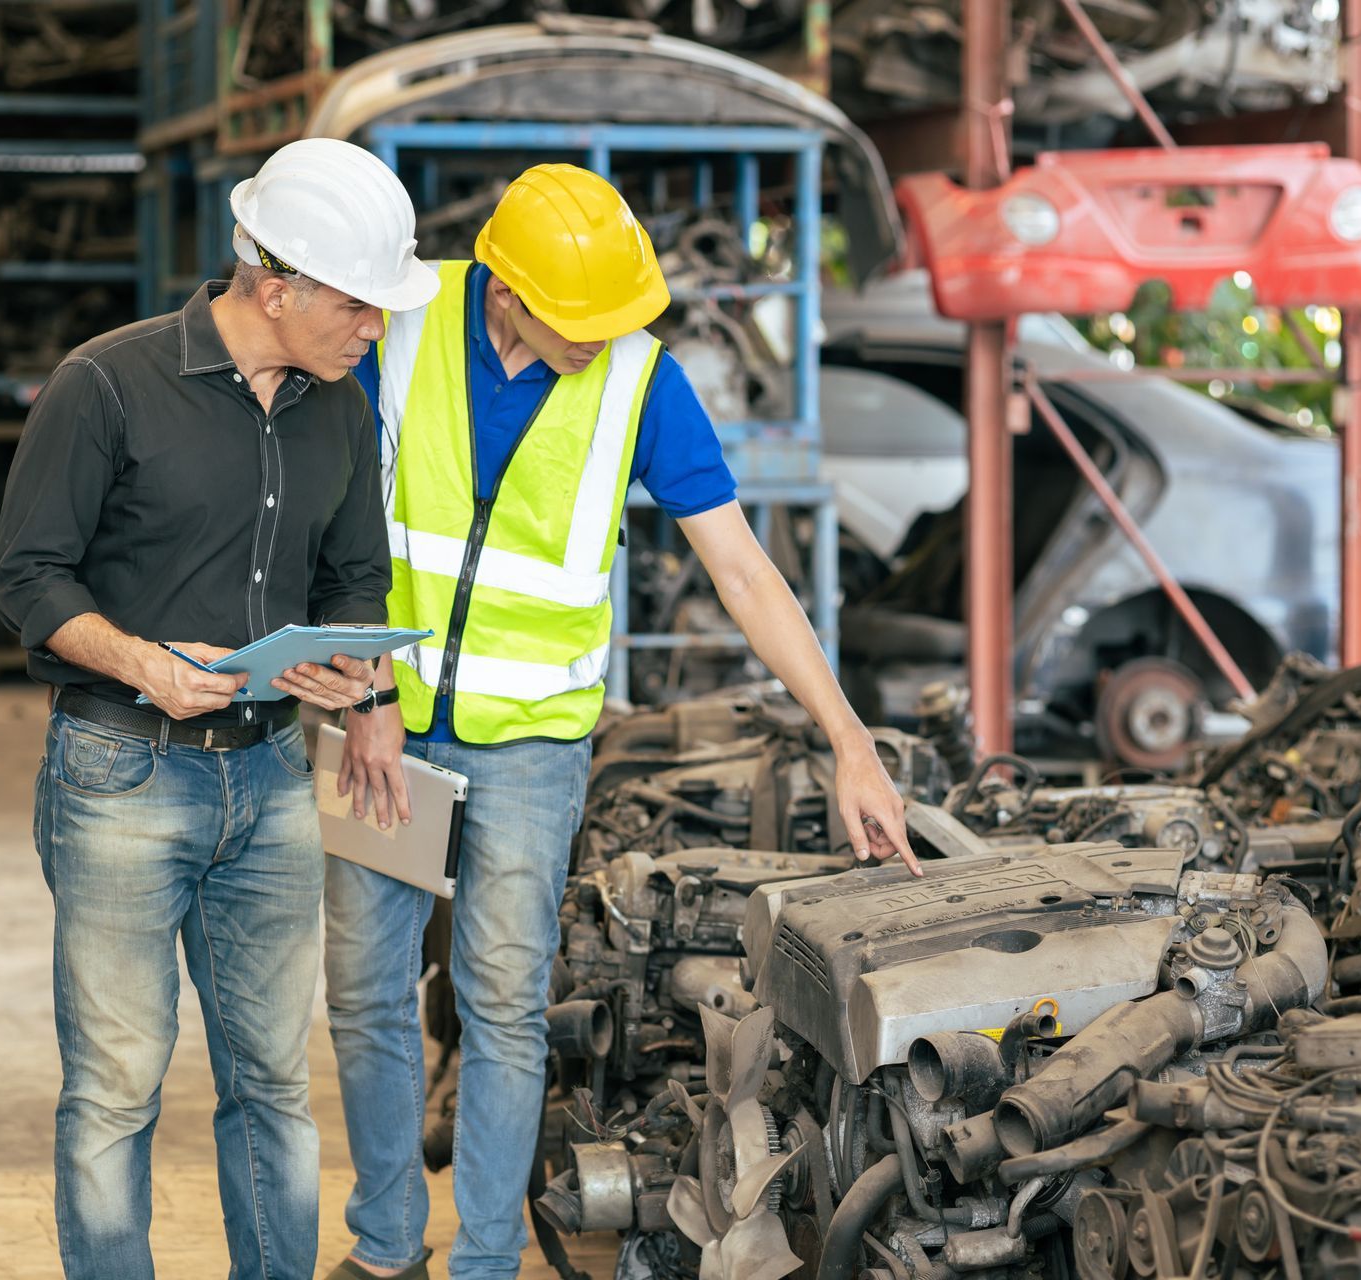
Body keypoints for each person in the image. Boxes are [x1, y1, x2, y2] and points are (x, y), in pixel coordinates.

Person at [324, 163, 919, 1280]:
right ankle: (387, 1245)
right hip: (384, 722)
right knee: (364, 992)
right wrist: (363, 695)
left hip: (536, 744)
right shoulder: (396, 330)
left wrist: (849, 737)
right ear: (503, 290)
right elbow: (328, 519)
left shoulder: (642, 379)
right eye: (579, 320)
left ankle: (487, 1261)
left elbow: (741, 570)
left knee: (502, 1006)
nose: (602, 338)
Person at [0, 137, 439, 1280]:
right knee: (116, 1086)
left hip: (274, 777)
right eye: (357, 304)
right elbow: (29, 578)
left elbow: (353, 576)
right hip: (122, 775)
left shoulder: (338, 408)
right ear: (273, 283)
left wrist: (358, 680)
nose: (372, 330)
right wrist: (141, 661)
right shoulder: (107, 383)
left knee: (274, 1086)